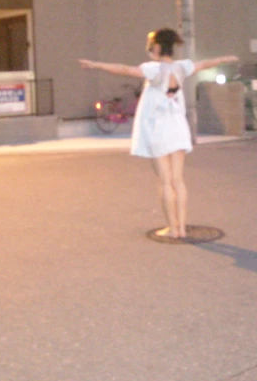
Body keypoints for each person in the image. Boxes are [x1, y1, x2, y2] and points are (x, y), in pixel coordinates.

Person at [79, 28, 238, 239]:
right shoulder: (183, 67)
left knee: (165, 181)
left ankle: (173, 229)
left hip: (159, 128)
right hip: (179, 127)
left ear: (156, 47)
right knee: (178, 180)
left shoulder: (153, 69)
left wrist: (96, 65)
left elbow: (124, 69)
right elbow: (205, 64)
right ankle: (181, 227)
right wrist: (225, 58)